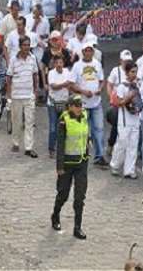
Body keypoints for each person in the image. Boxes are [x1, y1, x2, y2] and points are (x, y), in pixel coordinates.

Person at [51, 94, 90, 240]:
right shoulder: (64, 120)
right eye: (77, 105)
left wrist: (88, 144)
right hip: (67, 164)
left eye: (81, 105)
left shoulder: (85, 115)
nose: (80, 108)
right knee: (63, 194)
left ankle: (77, 227)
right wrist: (59, 166)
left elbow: (85, 133)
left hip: (81, 162)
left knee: (80, 196)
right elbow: (60, 145)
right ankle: (55, 215)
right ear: (70, 106)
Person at [70, 41, 107, 166]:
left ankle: (100, 155)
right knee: (83, 131)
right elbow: (71, 84)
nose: (88, 52)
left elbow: (102, 80)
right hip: (82, 104)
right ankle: (81, 154)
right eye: (86, 50)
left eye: (90, 50)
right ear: (83, 52)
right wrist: (83, 91)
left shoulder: (97, 64)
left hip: (96, 103)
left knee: (99, 129)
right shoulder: (77, 66)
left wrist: (100, 89)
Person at [6, 35, 40, 157]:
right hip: (16, 95)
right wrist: (9, 94)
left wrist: (36, 91)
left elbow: (35, 75)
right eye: (24, 45)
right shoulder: (14, 59)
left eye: (28, 45)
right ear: (20, 46)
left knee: (30, 122)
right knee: (17, 122)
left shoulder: (33, 58)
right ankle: (16, 143)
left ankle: (28, 147)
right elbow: (9, 76)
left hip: (29, 95)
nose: (26, 47)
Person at [109, 61, 141, 179]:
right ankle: (115, 165)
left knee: (133, 145)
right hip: (124, 120)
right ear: (127, 72)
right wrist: (129, 96)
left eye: (136, 72)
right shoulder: (122, 86)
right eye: (132, 72)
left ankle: (129, 170)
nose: (134, 74)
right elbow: (118, 103)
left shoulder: (137, 85)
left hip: (135, 119)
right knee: (122, 142)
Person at [107, 50, 133, 156]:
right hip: (118, 103)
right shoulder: (115, 71)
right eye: (125, 60)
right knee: (117, 125)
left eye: (129, 61)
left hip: (130, 103)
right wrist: (111, 98)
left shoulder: (133, 70)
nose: (127, 62)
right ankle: (111, 144)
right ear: (120, 60)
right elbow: (109, 84)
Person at [47, 54, 73, 158]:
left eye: (61, 62)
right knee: (53, 127)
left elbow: (71, 84)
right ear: (54, 64)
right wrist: (65, 84)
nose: (59, 65)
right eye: (57, 62)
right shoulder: (51, 73)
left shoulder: (67, 72)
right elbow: (53, 86)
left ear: (63, 63)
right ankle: (51, 148)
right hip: (52, 103)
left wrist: (67, 85)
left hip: (64, 102)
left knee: (63, 126)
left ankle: (62, 147)